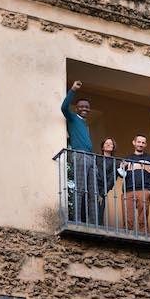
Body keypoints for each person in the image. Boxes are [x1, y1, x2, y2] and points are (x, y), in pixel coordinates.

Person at [61, 80, 96, 224]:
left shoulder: (85, 124)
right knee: (80, 189)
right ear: (76, 108)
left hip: (91, 158)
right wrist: (73, 90)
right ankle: (76, 220)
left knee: (93, 192)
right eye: (82, 106)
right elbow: (63, 108)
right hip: (79, 156)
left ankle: (93, 221)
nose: (85, 108)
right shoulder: (73, 119)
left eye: (87, 107)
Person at [121, 134, 150, 234]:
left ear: (145, 145)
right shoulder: (127, 158)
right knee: (128, 217)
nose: (141, 144)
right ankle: (127, 236)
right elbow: (121, 173)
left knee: (143, 217)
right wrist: (122, 166)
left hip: (144, 189)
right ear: (134, 143)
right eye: (139, 142)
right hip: (128, 190)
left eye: (143, 142)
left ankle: (144, 236)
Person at [95, 137, 120, 226]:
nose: (109, 144)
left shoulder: (116, 162)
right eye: (106, 143)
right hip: (93, 186)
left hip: (103, 189)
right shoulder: (96, 158)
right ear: (102, 147)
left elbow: (112, 179)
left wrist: (102, 193)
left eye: (111, 143)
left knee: (100, 212)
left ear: (113, 147)